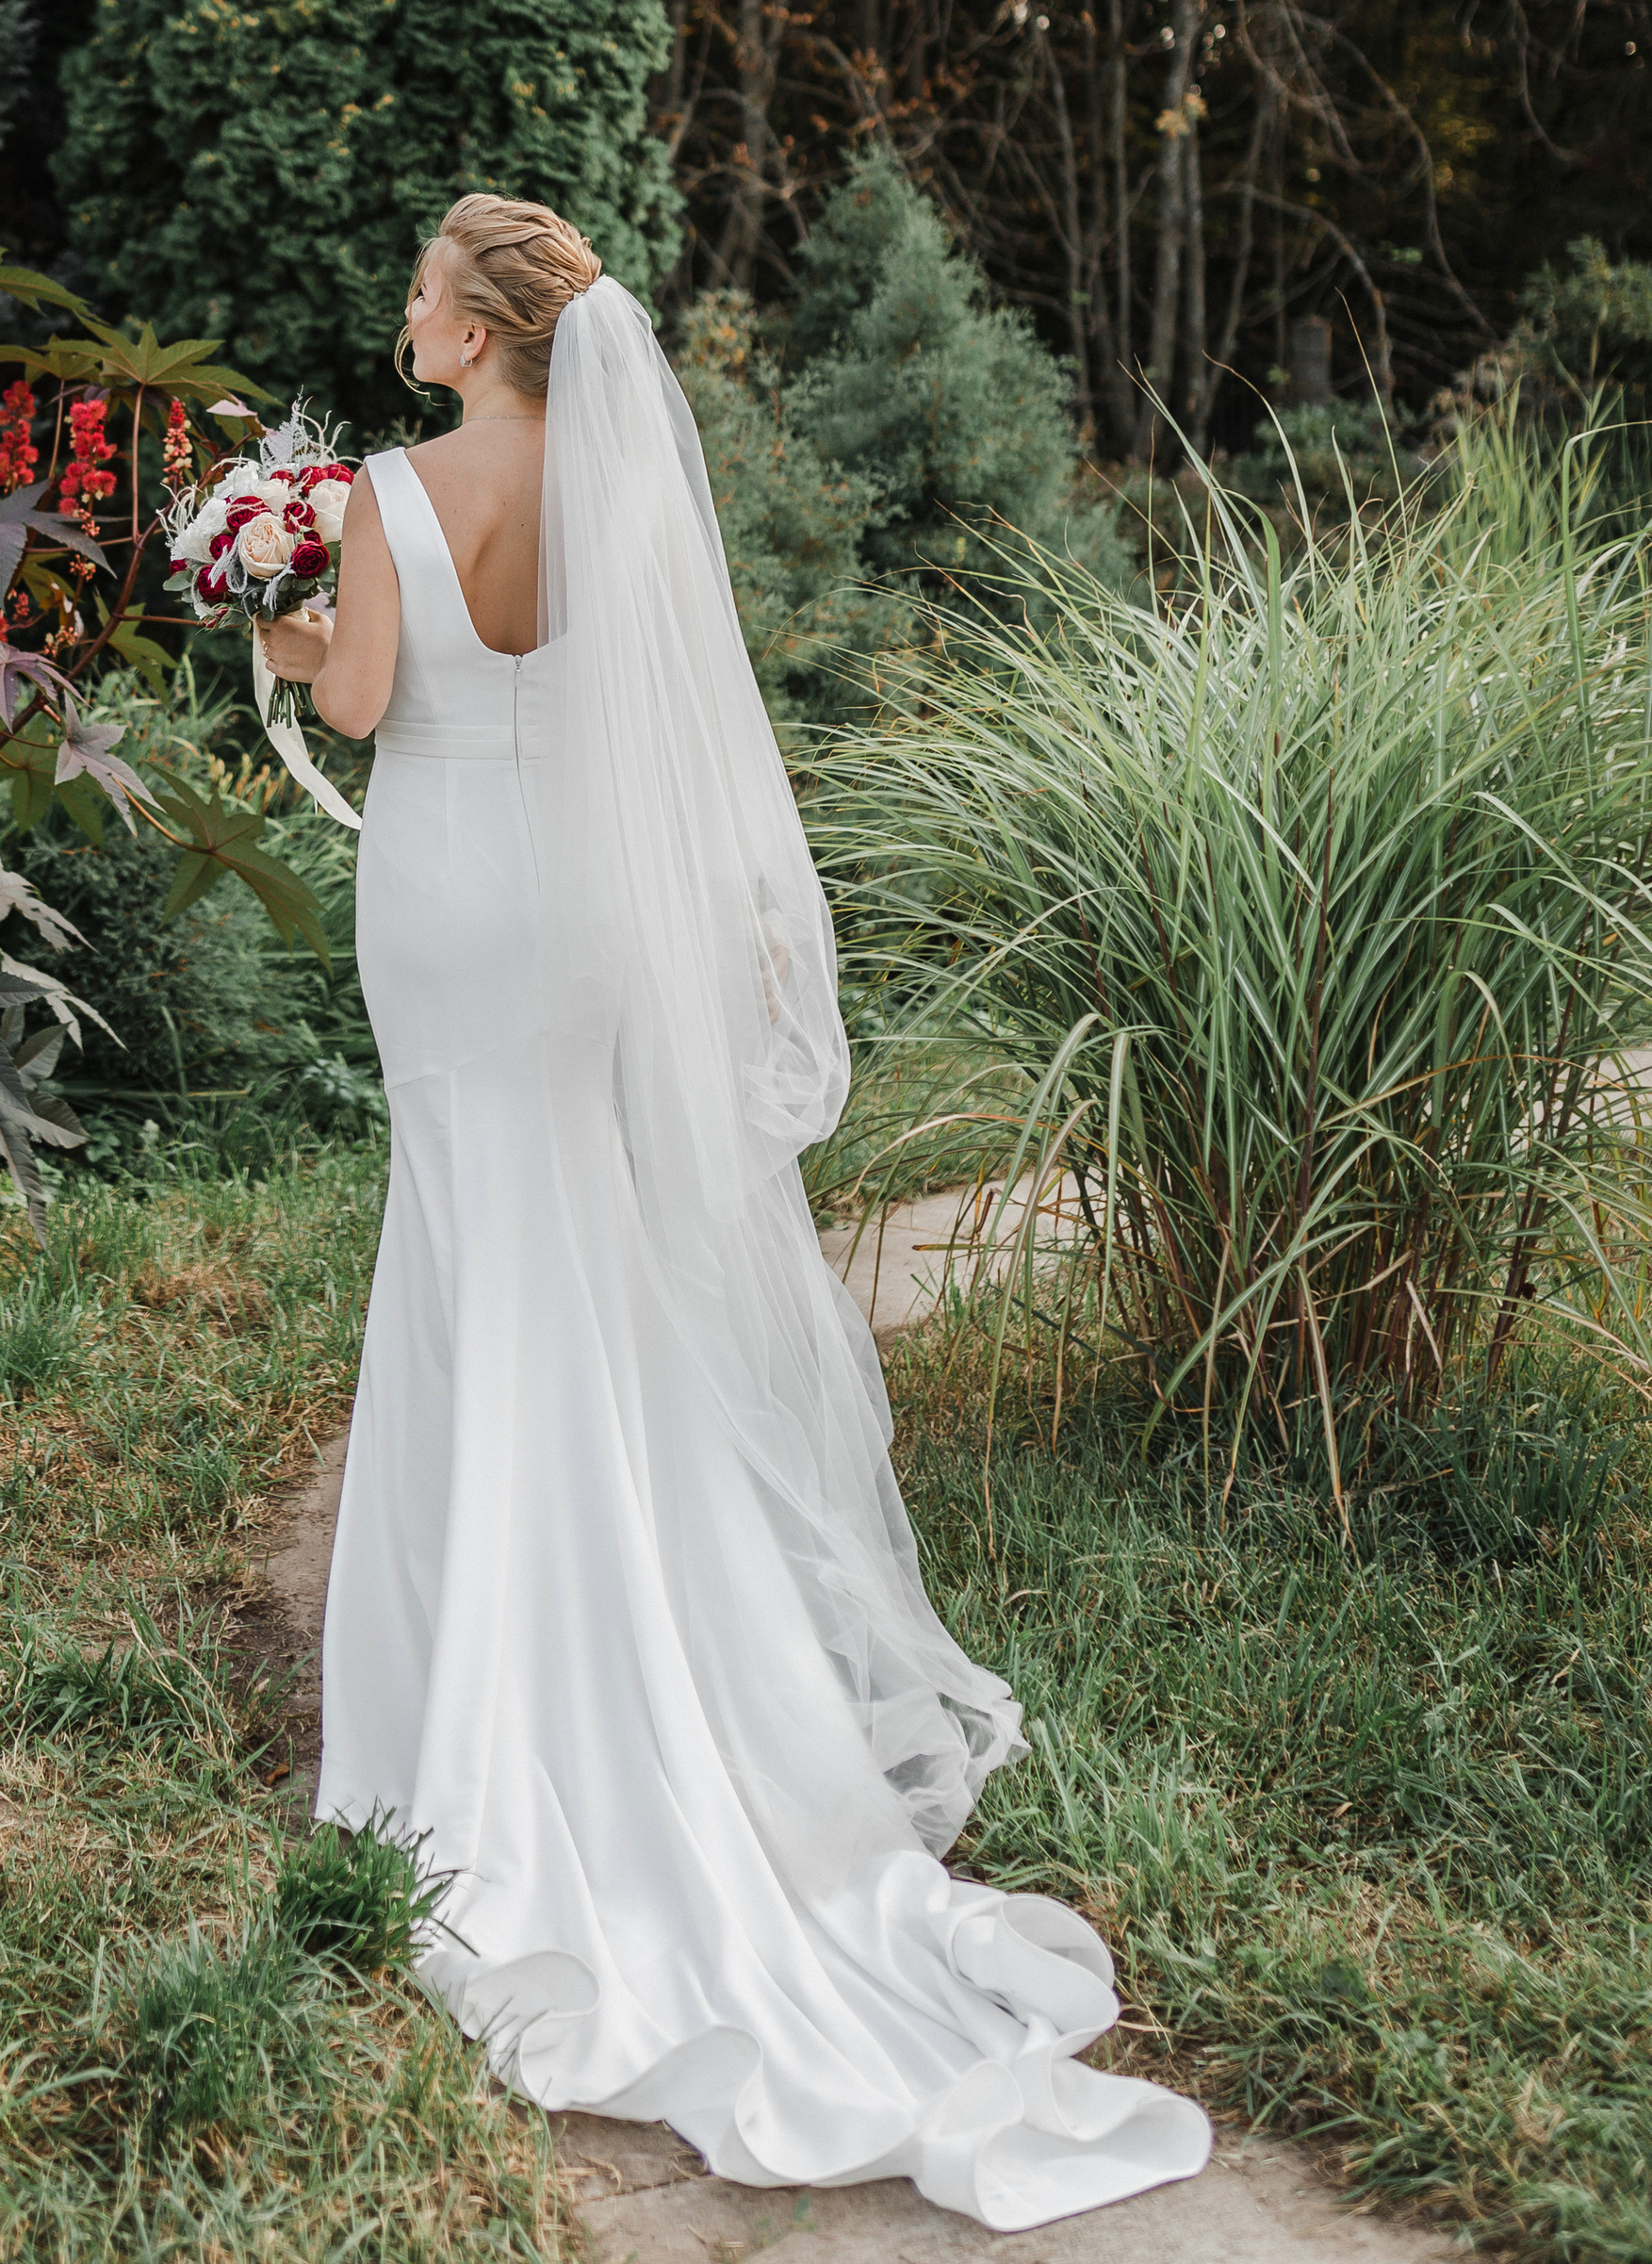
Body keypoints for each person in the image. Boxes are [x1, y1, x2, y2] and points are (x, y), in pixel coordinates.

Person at [255, 194, 1211, 2232]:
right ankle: (678, 1651)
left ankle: (471, 1690)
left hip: (437, 914)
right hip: (584, 925)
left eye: (424, 284)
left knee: (468, 1248)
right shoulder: (613, 495)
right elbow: (673, 740)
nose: (402, 304)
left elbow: (350, 713)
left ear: (486, 326)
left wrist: (271, 623)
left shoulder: (383, 491)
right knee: (584, 1249)